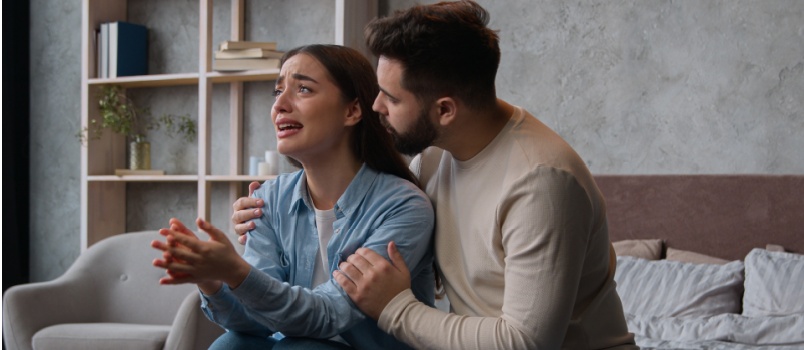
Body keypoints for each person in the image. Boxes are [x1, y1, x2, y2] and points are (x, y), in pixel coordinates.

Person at [233, 1, 638, 349]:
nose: (375, 106)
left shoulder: (541, 181)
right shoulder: (432, 159)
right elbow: (372, 200)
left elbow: (524, 342)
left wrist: (396, 308)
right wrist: (268, 212)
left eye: (391, 98)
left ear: (445, 110)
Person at [151, 44, 435, 350]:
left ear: (352, 111)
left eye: (303, 89)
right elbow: (253, 323)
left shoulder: (403, 207)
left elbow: (327, 316)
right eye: (277, 92)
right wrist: (214, 280)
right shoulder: (269, 199)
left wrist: (237, 271)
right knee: (231, 345)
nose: (280, 105)